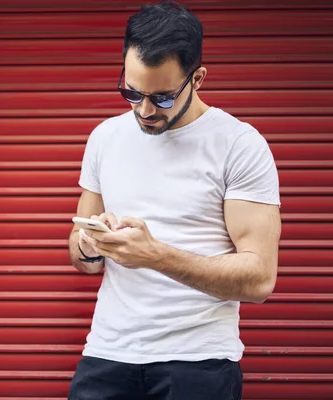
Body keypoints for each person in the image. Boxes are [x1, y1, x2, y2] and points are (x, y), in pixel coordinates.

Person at [67, 1, 281, 399]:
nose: (144, 110)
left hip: (198, 363)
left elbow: (259, 278)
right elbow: (82, 257)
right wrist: (91, 245)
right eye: (131, 91)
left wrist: (154, 255)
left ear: (197, 78)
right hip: (107, 353)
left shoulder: (239, 145)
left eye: (162, 97)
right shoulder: (105, 137)